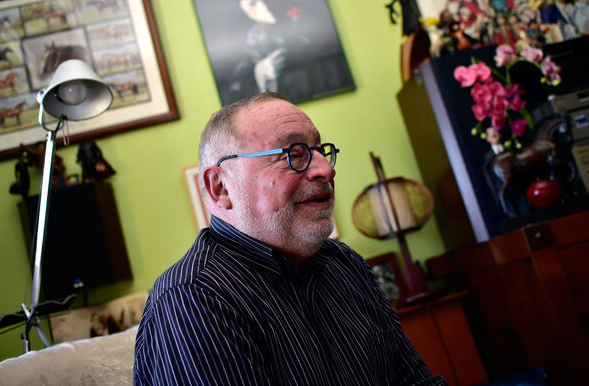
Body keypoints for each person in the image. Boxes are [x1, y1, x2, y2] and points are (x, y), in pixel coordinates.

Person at [134, 92, 447, 385]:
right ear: (221, 188)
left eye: (320, 151)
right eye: (293, 155)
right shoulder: (194, 299)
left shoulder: (344, 262)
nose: (326, 170)